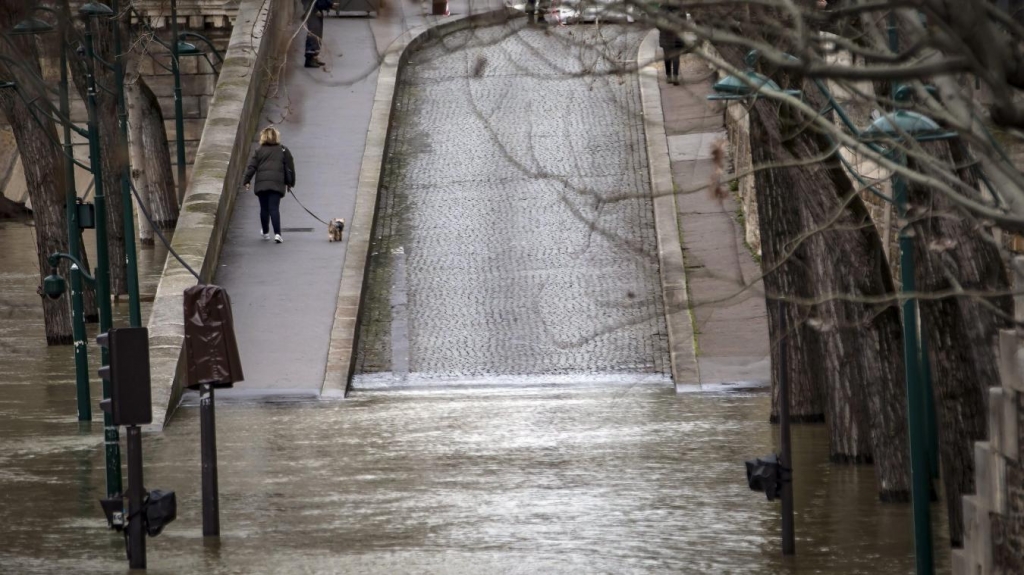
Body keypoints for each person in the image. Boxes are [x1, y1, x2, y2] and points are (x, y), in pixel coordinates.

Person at [244, 126, 295, 244]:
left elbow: (252, 167)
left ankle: (266, 232)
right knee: (274, 208)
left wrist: (247, 180)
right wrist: (290, 183)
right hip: (276, 184)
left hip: (262, 183)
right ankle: (277, 234)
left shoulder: (259, 151)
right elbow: (290, 168)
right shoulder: (283, 150)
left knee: (264, 208)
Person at [304, 0, 334, 68]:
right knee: (313, 32)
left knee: (317, 33)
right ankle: (310, 59)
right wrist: (315, 10)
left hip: (315, 9)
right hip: (312, 10)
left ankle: (314, 57)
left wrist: (329, 4)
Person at [659, 16, 684, 86]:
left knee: (667, 56)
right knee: (676, 57)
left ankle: (669, 76)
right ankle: (675, 77)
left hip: (665, 36)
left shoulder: (662, 8)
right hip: (676, 35)